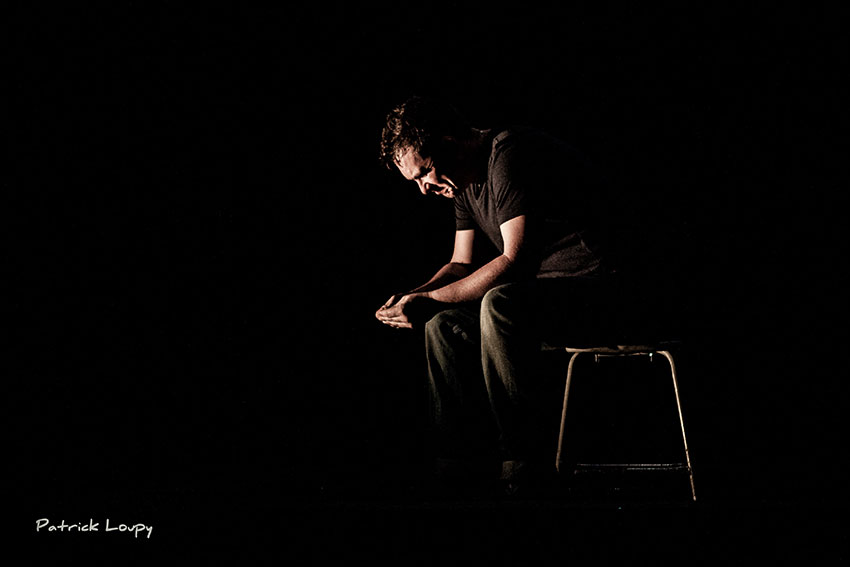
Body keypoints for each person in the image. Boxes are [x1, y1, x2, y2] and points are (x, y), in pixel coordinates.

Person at [375, 95, 642, 497]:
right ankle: (457, 467)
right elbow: (460, 264)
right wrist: (414, 296)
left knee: (499, 304)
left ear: (450, 142)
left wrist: (431, 299)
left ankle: (524, 464)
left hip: (606, 292)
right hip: (548, 297)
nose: (424, 189)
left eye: (425, 172)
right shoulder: (461, 183)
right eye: (414, 181)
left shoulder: (508, 153)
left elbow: (514, 260)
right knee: (443, 325)